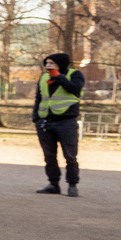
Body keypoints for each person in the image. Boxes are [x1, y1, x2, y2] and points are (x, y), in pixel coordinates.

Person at [33, 52, 84, 197]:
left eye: (51, 63)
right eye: (47, 63)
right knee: (49, 156)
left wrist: (59, 77)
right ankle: (53, 184)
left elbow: (75, 90)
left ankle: (72, 185)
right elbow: (39, 98)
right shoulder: (43, 78)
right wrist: (35, 117)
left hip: (66, 122)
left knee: (70, 156)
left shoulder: (75, 75)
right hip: (45, 123)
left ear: (60, 64)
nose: (48, 66)